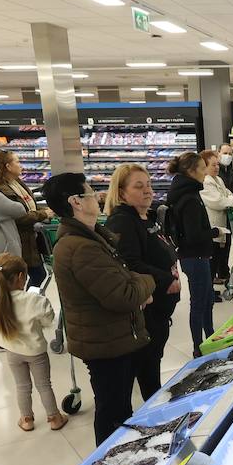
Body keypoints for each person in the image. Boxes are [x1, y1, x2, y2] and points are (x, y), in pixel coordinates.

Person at [43, 172, 155, 445]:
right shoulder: (80, 248)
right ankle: (110, 463)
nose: (97, 197)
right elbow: (123, 294)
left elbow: (122, 277)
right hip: (106, 342)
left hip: (110, 337)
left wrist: (134, 284)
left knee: (118, 408)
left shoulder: (90, 237)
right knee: (113, 412)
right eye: (91, 193)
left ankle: (119, 456)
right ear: (76, 202)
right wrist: (148, 282)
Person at [105, 163, 180, 398]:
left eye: (148, 184)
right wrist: (166, 279)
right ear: (121, 193)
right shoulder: (122, 222)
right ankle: (152, 411)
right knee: (148, 373)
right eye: (138, 186)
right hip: (145, 312)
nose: (147, 190)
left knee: (152, 364)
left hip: (159, 310)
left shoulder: (146, 217)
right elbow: (129, 264)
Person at [0, 252, 67, 432]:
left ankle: (26, 420)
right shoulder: (34, 300)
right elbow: (48, 320)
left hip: (12, 351)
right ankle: (54, 418)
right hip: (36, 353)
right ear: (21, 277)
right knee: (44, 385)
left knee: (22, 386)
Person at [167, 151, 218, 356]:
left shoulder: (184, 192)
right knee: (199, 302)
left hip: (193, 256)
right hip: (195, 257)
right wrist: (215, 232)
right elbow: (194, 235)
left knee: (206, 300)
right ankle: (199, 347)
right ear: (191, 171)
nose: (205, 172)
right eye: (202, 168)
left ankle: (210, 338)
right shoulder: (189, 198)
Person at [0, 149, 51, 287]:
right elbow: (19, 217)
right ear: (8, 166)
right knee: (34, 275)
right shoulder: (2, 190)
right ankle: (26, 299)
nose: (21, 165)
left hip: (30, 238)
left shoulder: (17, 182)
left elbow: (29, 206)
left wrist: (45, 210)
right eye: (17, 162)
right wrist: (44, 214)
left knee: (37, 274)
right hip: (19, 240)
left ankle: (26, 298)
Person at [201, 148, 233, 286]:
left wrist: (230, 200)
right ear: (204, 166)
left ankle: (218, 277)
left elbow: (229, 195)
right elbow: (219, 201)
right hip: (213, 225)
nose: (217, 167)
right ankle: (210, 286)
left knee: (220, 254)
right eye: (213, 165)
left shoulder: (218, 180)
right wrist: (232, 202)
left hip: (222, 224)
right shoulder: (206, 182)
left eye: (217, 164)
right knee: (213, 258)